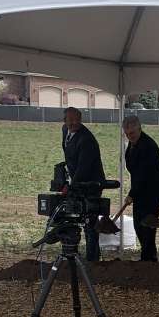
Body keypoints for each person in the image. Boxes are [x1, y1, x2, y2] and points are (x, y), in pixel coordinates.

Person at [121, 114, 159, 262]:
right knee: (139, 225)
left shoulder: (148, 146)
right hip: (140, 191)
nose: (129, 136)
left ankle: (149, 259)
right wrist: (134, 193)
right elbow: (135, 172)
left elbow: (144, 173)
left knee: (147, 226)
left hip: (152, 192)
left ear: (139, 128)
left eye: (132, 133)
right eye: (126, 134)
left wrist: (132, 194)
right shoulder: (133, 145)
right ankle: (149, 257)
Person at [61, 106, 105, 261]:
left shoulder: (86, 140)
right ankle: (70, 253)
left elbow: (83, 168)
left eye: (76, 120)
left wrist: (71, 186)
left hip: (91, 184)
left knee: (90, 223)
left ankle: (92, 260)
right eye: (70, 120)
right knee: (71, 218)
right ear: (64, 121)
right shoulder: (65, 130)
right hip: (78, 180)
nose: (73, 123)